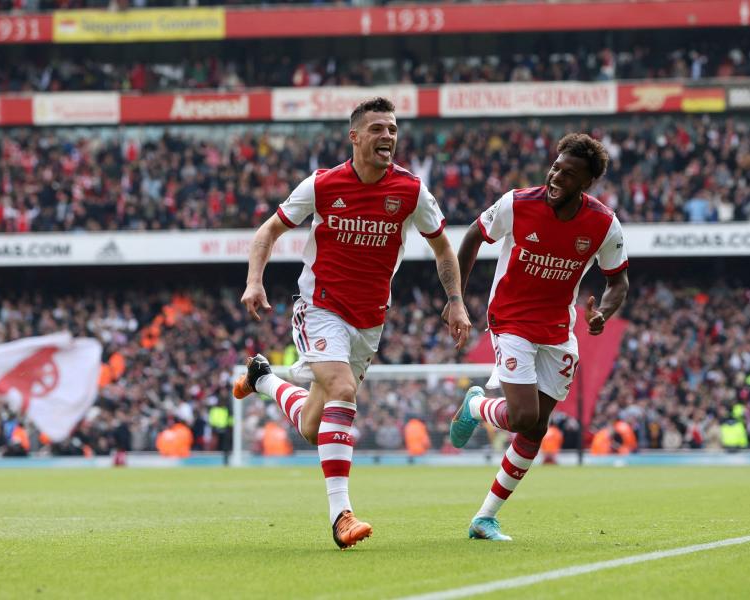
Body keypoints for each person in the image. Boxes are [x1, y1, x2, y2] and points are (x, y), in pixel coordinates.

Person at [233, 97, 471, 549]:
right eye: (378, 128)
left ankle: (263, 379)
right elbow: (268, 231)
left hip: (369, 320)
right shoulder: (323, 185)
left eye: (393, 130)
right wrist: (254, 282)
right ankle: (341, 515)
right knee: (342, 390)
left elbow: (443, 248)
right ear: (355, 137)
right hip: (319, 305)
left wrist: (456, 302)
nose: (388, 137)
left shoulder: (411, 191)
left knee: (311, 426)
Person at [447, 133, 629, 541]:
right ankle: (476, 405)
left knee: (535, 429)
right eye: (555, 167)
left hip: (558, 329)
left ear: (587, 183)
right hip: (510, 318)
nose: (555, 177)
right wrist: (455, 297)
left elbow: (619, 282)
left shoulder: (603, 223)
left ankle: (484, 518)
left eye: (568, 174)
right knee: (525, 416)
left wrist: (604, 314)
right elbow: (473, 237)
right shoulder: (517, 203)